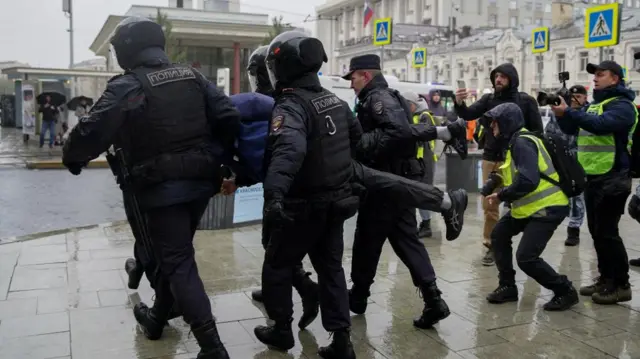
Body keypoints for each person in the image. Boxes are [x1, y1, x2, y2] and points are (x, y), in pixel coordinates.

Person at [62, 16, 240, 358]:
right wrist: (210, 158)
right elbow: (229, 117)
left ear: (128, 49)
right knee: (175, 255)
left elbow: (92, 131)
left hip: (159, 189)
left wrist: (73, 158)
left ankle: (212, 347)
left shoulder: (129, 85)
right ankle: (157, 318)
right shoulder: (194, 76)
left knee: (176, 260)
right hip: (200, 184)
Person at [250, 31, 358, 358]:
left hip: (302, 205)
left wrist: (275, 196)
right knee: (331, 269)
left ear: (283, 66)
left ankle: (282, 329)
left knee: (277, 266)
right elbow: (357, 141)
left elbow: (289, 149)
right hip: (335, 202)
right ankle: (342, 340)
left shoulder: (291, 104)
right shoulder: (336, 102)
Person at [343, 54, 468, 330]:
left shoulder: (378, 98)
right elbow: (404, 131)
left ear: (365, 75)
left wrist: (362, 144)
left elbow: (396, 132)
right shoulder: (386, 96)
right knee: (406, 241)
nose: (350, 84)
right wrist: (439, 132)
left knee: (367, 241)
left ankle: (359, 297)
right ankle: (434, 300)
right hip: (398, 180)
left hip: (384, 183)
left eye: (352, 77)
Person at [242, 45, 321, 331]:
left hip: (288, 187)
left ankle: (302, 294)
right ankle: (283, 289)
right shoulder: (277, 99)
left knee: (276, 247)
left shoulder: (279, 101)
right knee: (273, 243)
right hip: (284, 184)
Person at [551, 60, 637, 305]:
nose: (595, 78)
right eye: (595, 75)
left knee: (609, 233)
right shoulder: (595, 106)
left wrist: (571, 112)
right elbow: (570, 128)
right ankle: (605, 279)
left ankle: (621, 285)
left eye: (601, 74)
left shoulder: (623, 106)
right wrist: (563, 110)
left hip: (614, 178)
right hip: (593, 177)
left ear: (615, 79)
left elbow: (600, 127)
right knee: (598, 233)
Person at [481, 103, 578, 311]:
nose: (492, 127)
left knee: (526, 258)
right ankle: (507, 287)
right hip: (529, 207)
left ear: (506, 123)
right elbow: (519, 174)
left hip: (547, 207)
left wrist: (500, 196)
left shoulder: (522, 143)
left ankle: (565, 290)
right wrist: (497, 180)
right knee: (499, 235)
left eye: (495, 122)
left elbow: (528, 180)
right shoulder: (516, 142)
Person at [454, 63, 543, 266]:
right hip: (492, 158)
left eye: (503, 76)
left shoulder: (526, 101)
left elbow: (538, 132)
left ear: (512, 79)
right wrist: (459, 102)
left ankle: (532, 246)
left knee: (524, 203)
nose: (498, 80)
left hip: (518, 159)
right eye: (496, 76)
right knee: (490, 205)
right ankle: (492, 246)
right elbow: (468, 114)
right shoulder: (488, 99)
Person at [545, 85, 588, 246]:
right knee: (567, 194)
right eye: (572, 96)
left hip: (583, 159)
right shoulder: (560, 114)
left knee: (578, 197)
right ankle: (569, 226)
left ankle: (574, 230)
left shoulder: (588, 113)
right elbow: (550, 131)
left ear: (585, 97)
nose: (575, 99)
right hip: (563, 159)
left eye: (579, 96)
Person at [402, 91, 438, 238]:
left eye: (406, 105)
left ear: (413, 105)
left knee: (422, 192)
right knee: (414, 192)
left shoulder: (425, 116)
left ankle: (426, 224)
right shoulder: (412, 116)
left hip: (424, 161)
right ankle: (420, 223)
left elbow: (422, 135)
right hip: (415, 160)